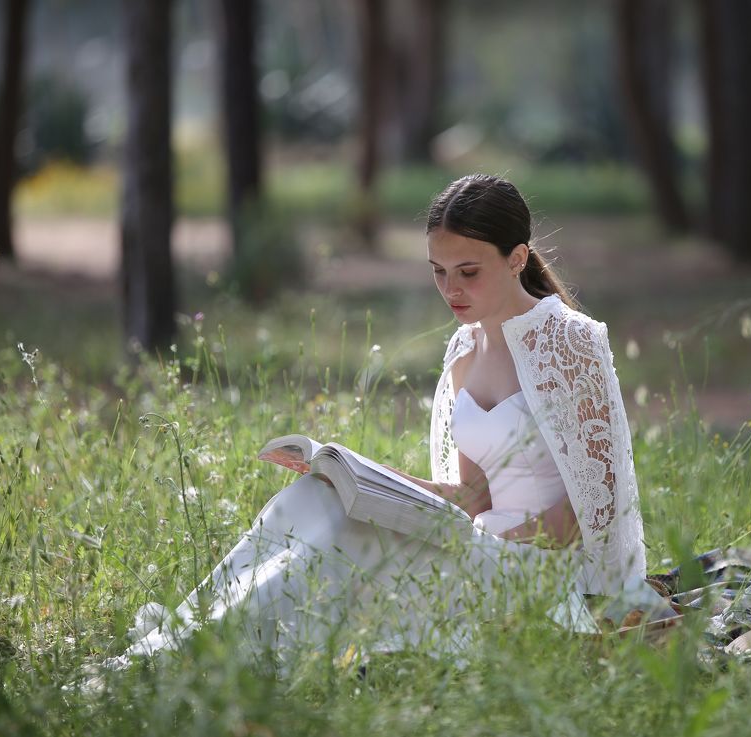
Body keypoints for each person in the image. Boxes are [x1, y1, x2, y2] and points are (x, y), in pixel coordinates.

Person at [122, 174, 657, 663]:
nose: (452, 291)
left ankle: (219, 651)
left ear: (517, 258)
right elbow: (472, 496)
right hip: (481, 545)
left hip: (546, 569)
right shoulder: (465, 350)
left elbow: (597, 509)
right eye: (439, 273)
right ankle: (195, 637)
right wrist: (351, 473)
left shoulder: (570, 341)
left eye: (469, 272)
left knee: (348, 540)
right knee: (316, 497)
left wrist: (489, 546)